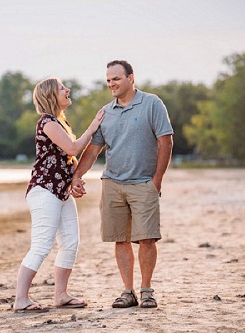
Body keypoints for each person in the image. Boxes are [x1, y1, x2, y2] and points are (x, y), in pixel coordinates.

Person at [71, 60, 173, 309]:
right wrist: (77, 176)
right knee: (120, 239)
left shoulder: (152, 103)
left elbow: (166, 142)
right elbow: (93, 151)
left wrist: (156, 180)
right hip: (113, 184)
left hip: (143, 183)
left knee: (147, 238)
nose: (111, 84)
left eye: (116, 78)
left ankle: (147, 290)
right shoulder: (106, 112)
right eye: (108, 80)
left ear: (131, 78)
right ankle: (128, 292)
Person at [13, 77, 105, 313]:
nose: (68, 90)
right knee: (42, 245)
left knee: (71, 242)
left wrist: (76, 180)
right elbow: (73, 148)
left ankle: (61, 295)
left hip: (60, 192)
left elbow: (68, 159)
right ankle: (21, 299)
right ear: (51, 96)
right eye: (62, 88)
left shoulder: (60, 123)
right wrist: (93, 126)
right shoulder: (47, 122)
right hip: (44, 191)